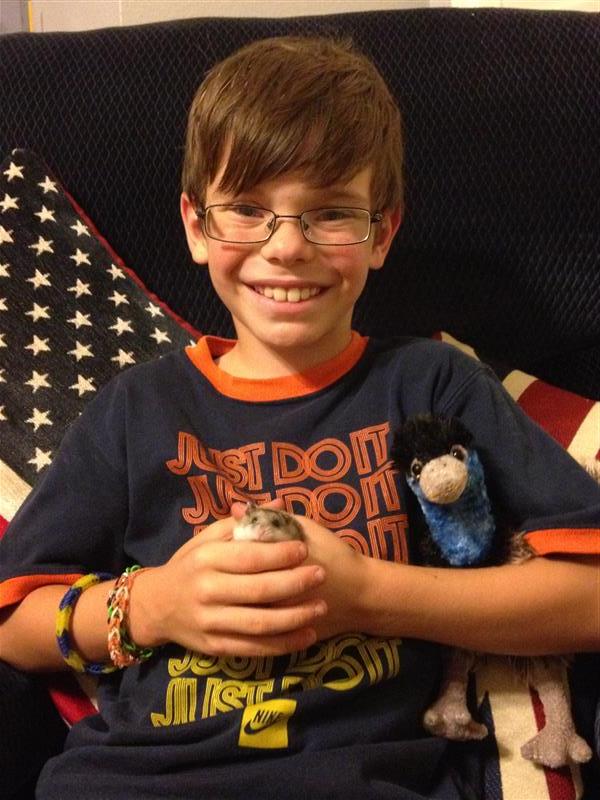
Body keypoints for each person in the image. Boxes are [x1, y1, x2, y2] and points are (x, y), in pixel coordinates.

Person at [0, 35, 598, 800]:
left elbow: (589, 596)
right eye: (248, 210)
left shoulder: (433, 382)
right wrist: (152, 605)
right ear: (195, 226)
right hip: (130, 783)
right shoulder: (135, 407)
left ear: (382, 232)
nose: (286, 247)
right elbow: (16, 623)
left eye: (331, 213)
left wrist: (365, 593)